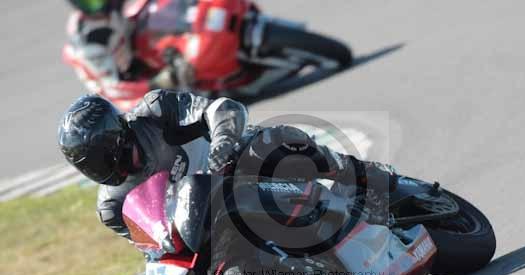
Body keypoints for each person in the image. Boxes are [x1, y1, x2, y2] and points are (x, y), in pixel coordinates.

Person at [58, 90, 397, 240]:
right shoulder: (112, 207)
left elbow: (220, 108)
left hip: (236, 166)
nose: (104, 171)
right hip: (206, 222)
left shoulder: (156, 112)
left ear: (117, 136)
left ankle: (360, 176)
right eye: (90, 167)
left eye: (102, 158)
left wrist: (222, 141)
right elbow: (152, 246)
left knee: (275, 140)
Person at [65, 0, 194, 94]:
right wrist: (160, 82)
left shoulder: (113, 6)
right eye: (92, 1)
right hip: (124, 92)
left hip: (136, 60)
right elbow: (113, 88)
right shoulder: (90, 43)